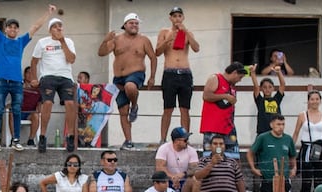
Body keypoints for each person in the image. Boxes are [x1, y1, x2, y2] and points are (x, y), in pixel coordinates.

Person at [0, 1, 54, 152]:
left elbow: (35, 27)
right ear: (6, 29)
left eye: (15, 27)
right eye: (10, 27)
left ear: (17, 30)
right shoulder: (0, 39)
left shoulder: (21, 41)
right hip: (1, 80)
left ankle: (16, 140)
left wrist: (49, 13)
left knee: (16, 110)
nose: (12, 29)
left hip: (16, 82)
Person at [98, 12, 156, 150]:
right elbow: (101, 53)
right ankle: (128, 140)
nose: (134, 25)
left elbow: (153, 57)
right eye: (131, 23)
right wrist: (105, 40)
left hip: (136, 74)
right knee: (123, 110)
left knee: (130, 86)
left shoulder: (144, 40)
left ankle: (134, 106)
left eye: (136, 23)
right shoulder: (117, 39)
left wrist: (152, 77)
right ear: (125, 25)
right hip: (119, 77)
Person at [30, 17, 78, 153]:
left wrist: (62, 41)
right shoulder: (42, 42)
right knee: (48, 103)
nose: (59, 28)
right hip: (48, 77)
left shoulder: (68, 41)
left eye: (60, 26)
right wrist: (34, 78)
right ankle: (43, 136)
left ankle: (70, 135)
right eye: (55, 26)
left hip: (65, 77)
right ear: (50, 30)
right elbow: (34, 61)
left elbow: (71, 59)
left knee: (70, 103)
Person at [155, 7, 200, 145]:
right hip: (170, 73)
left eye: (179, 16)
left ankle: (185, 138)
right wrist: (168, 39)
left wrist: (185, 31)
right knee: (168, 108)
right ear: (170, 18)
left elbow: (196, 48)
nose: (177, 19)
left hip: (185, 73)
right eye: (174, 16)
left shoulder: (187, 33)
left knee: (184, 109)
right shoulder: (164, 32)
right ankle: (163, 139)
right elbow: (157, 52)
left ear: (183, 18)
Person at [199, 63, 247, 158]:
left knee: (233, 157)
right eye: (240, 77)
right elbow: (206, 96)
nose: (240, 80)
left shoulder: (232, 86)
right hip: (213, 127)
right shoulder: (215, 78)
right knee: (212, 157)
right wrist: (225, 96)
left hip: (228, 127)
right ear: (234, 73)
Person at [292, 91, 322, 192]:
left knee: (320, 178)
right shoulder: (302, 115)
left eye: (317, 99)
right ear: (308, 101)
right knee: (306, 178)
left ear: (320, 100)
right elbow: (296, 132)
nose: (314, 101)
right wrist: (290, 149)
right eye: (312, 99)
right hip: (307, 149)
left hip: (320, 149)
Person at [154, 127, 199, 192]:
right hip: (168, 181)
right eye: (185, 140)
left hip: (184, 182)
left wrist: (183, 174)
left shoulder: (191, 150)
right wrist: (173, 177)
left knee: (195, 180)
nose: (187, 142)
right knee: (159, 179)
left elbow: (195, 168)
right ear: (177, 141)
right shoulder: (164, 148)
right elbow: (159, 167)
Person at [250, 64, 285, 138]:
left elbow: (282, 85)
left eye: (270, 87)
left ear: (273, 88)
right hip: (262, 133)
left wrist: (279, 72)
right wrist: (253, 73)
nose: (267, 89)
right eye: (264, 87)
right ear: (261, 89)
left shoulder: (276, 99)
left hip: (276, 133)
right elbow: (256, 87)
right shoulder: (260, 100)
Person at [20, 66, 43, 147]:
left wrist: (38, 109)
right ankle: (14, 139)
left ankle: (31, 139)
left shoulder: (38, 88)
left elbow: (40, 102)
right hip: (18, 111)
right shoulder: (19, 84)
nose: (30, 75)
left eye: (32, 73)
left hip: (30, 113)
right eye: (28, 73)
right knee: (12, 113)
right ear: (24, 74)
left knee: (36, 115)